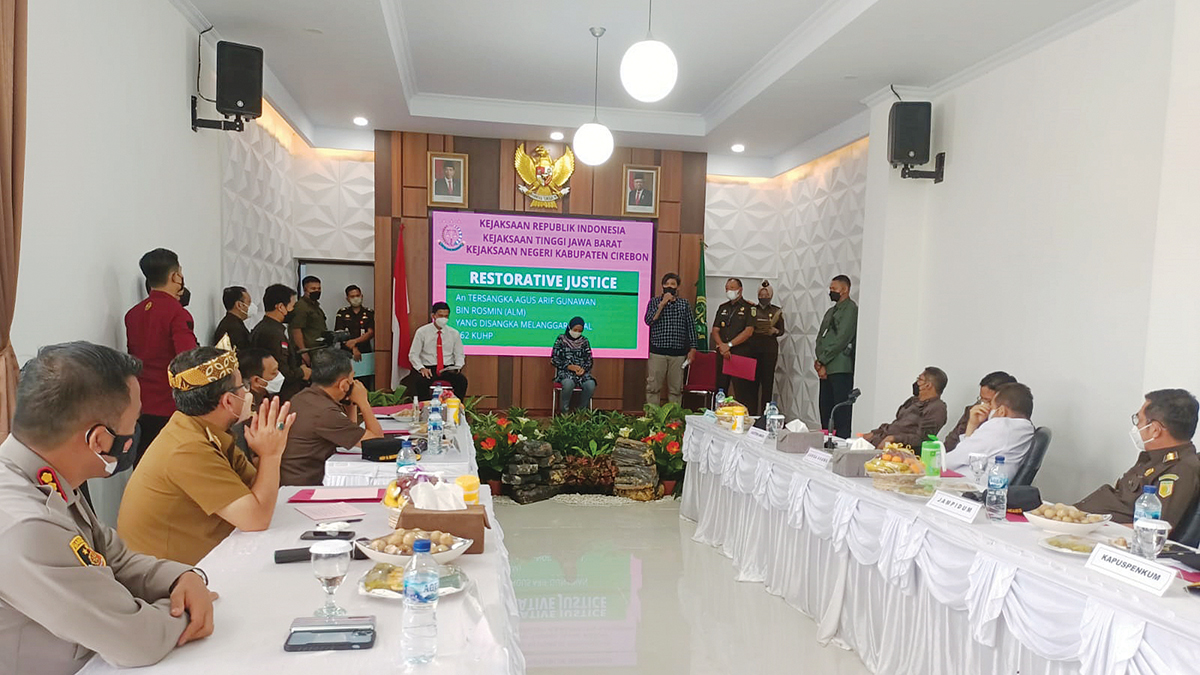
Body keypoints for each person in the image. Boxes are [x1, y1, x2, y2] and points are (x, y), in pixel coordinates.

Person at [0, 342, 216, 673]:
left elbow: (112, 557)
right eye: (135, 420)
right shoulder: (27, 526)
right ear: (99, 440)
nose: (135, 433)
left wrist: (180, 578)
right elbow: (135, 641)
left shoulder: (43, 476)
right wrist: (183, 610)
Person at [117, 347, 295, 566]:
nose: (247, 393)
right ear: (228, 401)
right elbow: (256, 519)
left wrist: (266, 452)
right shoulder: (186, 448)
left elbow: (256, 492)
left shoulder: (203, 430)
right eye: (243, 386)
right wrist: (270, 455)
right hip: (165, 579)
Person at [1076, 389, 1200, 528]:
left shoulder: (1180, 470)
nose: (1136, 427)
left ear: (1155, 430)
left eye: (1138, 420)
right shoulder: (1152, 459)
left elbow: (1155, 528)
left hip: (1103, 534)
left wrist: (1093, 526)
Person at [125, 248, 199, 465]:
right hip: (170, 407)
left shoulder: (132, 314)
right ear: (175, 276)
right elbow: (187, 361)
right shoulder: (178, 313)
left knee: (144, 468)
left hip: (140, 406)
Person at [281, 349, 384, 486]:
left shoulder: (303, 397)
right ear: (344, 384)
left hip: (292, 479)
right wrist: (363, 403)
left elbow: (346, 434)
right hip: (304, 485)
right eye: (352, 378)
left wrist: (351, 403)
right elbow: (378, 443)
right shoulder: (325, 412)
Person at [942, 382, 1036, 480]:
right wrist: (972, 425)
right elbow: (969, 452)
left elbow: (954, 459)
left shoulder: (1000, 426)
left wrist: (933, 464)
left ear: (1001, 411)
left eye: (991, 406)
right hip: (979, 482)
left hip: (969, 484)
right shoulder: (1025, 429)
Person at [249, 283, 310, 401]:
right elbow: (281, 371)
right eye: (293, 306)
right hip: (280, 395)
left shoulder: (266, 327)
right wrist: (302, 372)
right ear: (281, 307)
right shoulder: (272, 333)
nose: (294, 310)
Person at [644, 272, 697, 405]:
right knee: (653, 387)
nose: (669, 286)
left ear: (677, 287)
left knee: (676, 389)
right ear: (662, 285)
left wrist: (693, 349)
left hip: (678, 354)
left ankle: (674, 416)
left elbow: (691, 327)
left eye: (672, 284)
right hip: (657, 353)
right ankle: (652, 415)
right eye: (666, 284)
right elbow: (649, 321)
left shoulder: (684, 304)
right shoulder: (654, 302)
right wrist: (662, 305)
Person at [863, 367, 949, 449]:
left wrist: (893, 438)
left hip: (900, 450)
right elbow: (898, 424)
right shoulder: (913, 400)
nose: (916, 382)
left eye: (919, 379)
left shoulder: (937, 408)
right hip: (881, 439)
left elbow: (923, 439)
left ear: (928, 385)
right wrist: (875, 433)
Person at [815, 274, 857, 438]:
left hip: (840, 367)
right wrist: (819, 361)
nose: (831, 291)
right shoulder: (831, 311)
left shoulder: (850, 309)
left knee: (840, 412)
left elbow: (842, 338)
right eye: (830, 288)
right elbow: (821, 337)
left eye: (834, 288)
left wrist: (823, 360)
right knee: (825, 409)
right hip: (825, 367)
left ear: (845, 290)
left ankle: (840, 442)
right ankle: (827, 440)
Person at [712, 278, 757, 410]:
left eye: (732, 288)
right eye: (727, 288)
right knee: (721, 389)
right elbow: (715, 330)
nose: (729, 291)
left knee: (742, 391)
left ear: (740, 290)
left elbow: (748, 332)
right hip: (723, 354)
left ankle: (743, 417)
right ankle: (720, 415)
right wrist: (722, 345)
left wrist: (729, 345)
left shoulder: (750, 308)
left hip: (740, 354)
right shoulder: (723, 307)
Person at [944, 371, 1018, 451]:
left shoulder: (1014, 421)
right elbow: (949, 444)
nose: (984, 404)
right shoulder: (975, 411)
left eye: (988, 401)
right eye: (982, 399)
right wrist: (972, 425)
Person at [408, 302, 468, 400]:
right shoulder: (422, 332)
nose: (443, 319)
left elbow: (459, 355)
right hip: (429, 368)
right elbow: (413, 355)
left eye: (446, 316)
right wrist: (421, 368)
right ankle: (425, 406)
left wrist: (458, 367)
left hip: (448, 368)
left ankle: (456, 406)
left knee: (462, 381)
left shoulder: (454, 333)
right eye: (440, 316)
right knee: (419, 382)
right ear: (433, 316)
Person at [750, 280, 786, 414]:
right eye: (761, 295)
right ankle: (752, 413)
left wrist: (774, 331)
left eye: (766, 295)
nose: (763, 297)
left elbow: (782, 330)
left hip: (769, 350)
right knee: (752, 385)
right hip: (753, 349)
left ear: (771, 296)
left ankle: (765, 414)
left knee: (767, 383)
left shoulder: (776, 311)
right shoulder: (752, 310)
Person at [335, 284, 376, 390]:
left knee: (365, 384)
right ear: (347, 298)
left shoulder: (369, 313)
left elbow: (371, 333)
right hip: (346, 353)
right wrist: (353, 348)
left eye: (357, 295)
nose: (356, 298)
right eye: (352, 296)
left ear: (362, 296)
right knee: (346, 383)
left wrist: (355, 342)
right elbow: (339, 334)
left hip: (364, 353)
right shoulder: (342, 313)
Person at [552, 317, 596, 413]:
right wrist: (568, 366)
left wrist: (583, 369)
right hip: (565, 373)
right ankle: (564, 413)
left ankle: (580, 412)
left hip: (582, 374)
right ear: (570, 327)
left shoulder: (584, 341)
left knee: (590, 384)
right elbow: (554, 359)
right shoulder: (561, 340)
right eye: (575, 330)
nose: (577, 332)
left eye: (580, 331)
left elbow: (589, 360)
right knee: (568, 384)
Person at [291, 276, 328, 367]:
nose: (317, 291)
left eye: (319, 288)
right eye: (313, 289)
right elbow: (296, 330)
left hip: (319, 350)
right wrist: (303, 352)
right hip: (309, 351)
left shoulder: (315, 306)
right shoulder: (301, 307)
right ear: (305, 290)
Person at [212, 286, 253, 352]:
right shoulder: (234, 328)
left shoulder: (231, 323)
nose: (251, 306)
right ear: (239, 305)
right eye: (249, 302)